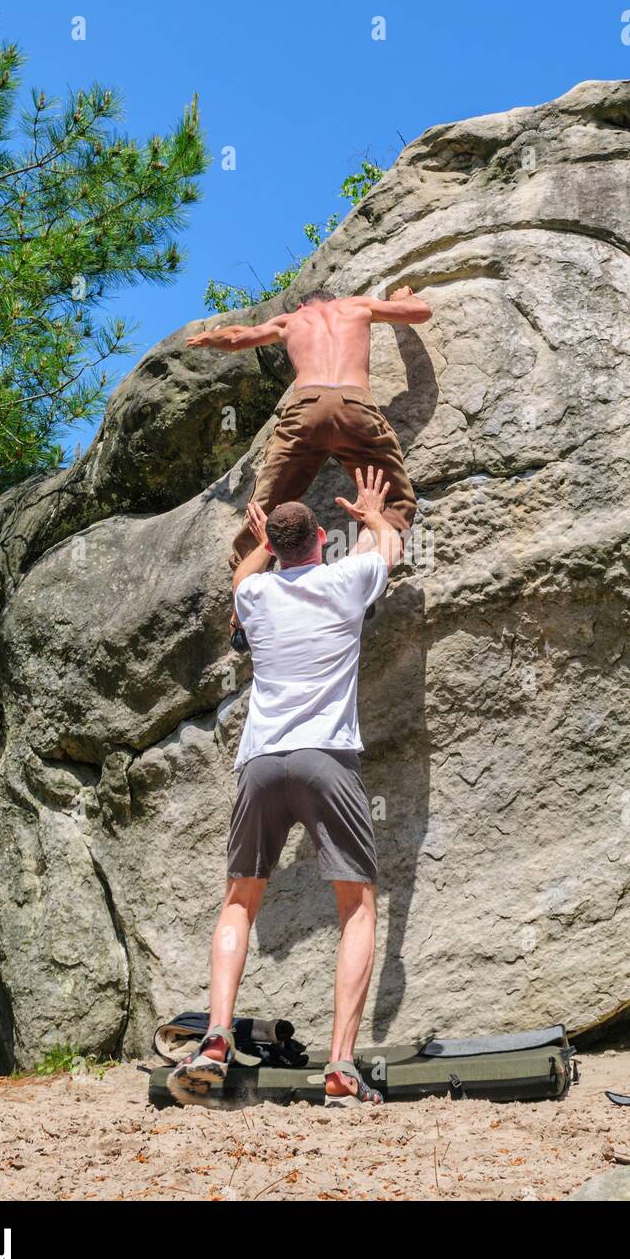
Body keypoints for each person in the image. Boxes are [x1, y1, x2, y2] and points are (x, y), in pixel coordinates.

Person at [167, 466, 402, 1109]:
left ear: (274, 545)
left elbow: (241, 577)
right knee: (356, 909)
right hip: (327, 759)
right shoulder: (347, 578)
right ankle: (341, 1067)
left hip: (262, 763)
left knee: (239, 903)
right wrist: (374, 512)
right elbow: (388, 549)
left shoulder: (257, 597)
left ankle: (215, 1038)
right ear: (323, 539)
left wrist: (260, 545)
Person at [185, 287, 430, 646]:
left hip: (305, 411)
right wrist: (403, 296)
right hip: (354, 406)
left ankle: (241, 616)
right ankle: (359, 579)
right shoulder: (358, 306)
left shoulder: (291, 320)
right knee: (394, 502)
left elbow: (237, 338)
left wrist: (209, 338)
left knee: (264, 509)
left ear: (303, 305)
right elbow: (421, 312)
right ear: (333, 300)